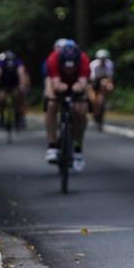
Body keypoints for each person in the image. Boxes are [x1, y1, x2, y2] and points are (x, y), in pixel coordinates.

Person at [44, 38, 90, 171]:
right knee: (51, 105)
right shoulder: (53, 59)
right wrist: (57, 89)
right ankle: (52, 146)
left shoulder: (83, 60)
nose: (69, 70)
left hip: (77, 83)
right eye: (66, 67)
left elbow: (83, 82)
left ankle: (78, 149)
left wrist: (80, 87)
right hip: (57, 81)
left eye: (72, 67)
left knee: (81, 111)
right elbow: (54, 82)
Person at [0, 50, 30, 130]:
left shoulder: (17, 61)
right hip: (3, 84)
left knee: (18, 97)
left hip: (15, 84)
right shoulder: (1, 61)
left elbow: (21, 73)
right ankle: (2, 116)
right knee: (1, 99)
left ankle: (19, 116)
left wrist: (22, 85)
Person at [89, 49, 115, 128]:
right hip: (94, 81)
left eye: (104, 59)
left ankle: (104, 102)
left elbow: (110, 77)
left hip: (103, 81)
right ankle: (94, 112)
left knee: (106, 85)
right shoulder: (93, 65)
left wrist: (110, 84)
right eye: (101, 59)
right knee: (93, 100)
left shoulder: (109, 64)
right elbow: (92, 78)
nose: (102, 61)